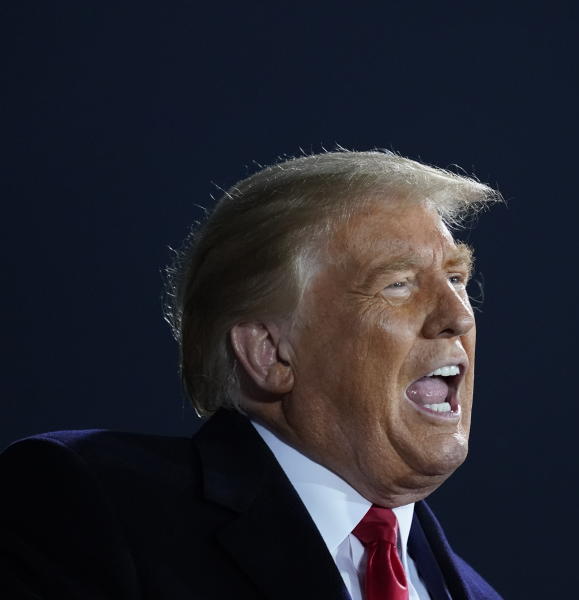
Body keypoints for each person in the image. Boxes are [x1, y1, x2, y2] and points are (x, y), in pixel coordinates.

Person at [0, 151, 504, 599]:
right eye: (397, 283)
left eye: (457, 278)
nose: (457, 316)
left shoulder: (475, 591)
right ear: (269, 353)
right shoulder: (93, 504)